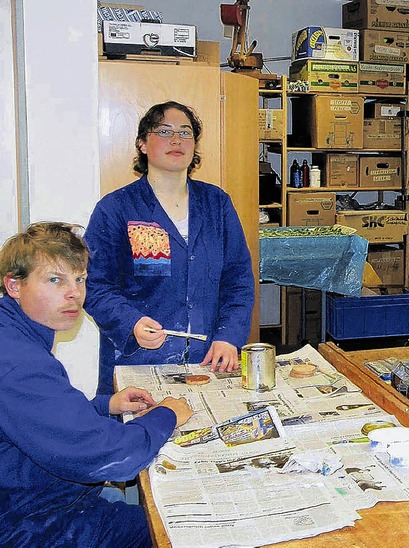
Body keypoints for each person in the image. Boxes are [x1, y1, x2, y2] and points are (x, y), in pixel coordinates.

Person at [0, 222, 194, 547]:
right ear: (14, 285)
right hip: (37, 525)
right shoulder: (20, 363)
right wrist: (167, 416)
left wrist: (105, 406)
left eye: (80, 279)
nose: (74, 293)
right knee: (186, 533)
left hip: (38, 501)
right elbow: (104, 456)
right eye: (54, 280)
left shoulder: (14, 335)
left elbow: (39, 422)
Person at [84, 101, 255, 394]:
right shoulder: (116, 208)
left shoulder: (217, 204)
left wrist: (228, 336)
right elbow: (95, 284)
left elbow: (238, 280)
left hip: (208, 360)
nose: (177, 140)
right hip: (139, 362)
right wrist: (132, 323)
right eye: (164, 131)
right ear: (142, 144)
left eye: (186, 133)